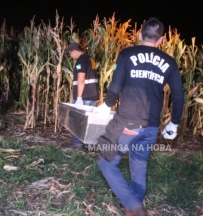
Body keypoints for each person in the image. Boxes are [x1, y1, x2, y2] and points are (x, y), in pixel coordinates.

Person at [96, 18, 184, 216]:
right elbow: (178, 96)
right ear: (161, 40)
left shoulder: (127, 54)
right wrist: (174, 123)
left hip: (126, 123)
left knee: (106, 162)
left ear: (139, 35)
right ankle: (134, 208)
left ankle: (134, 207)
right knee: (138, 167)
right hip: (151, 127)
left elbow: (115, 86)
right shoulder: (169, 62)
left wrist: (106, 105)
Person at [67, 42, 99, 149]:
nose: (70, 56)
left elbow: (81, 79)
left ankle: (78, 145)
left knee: (76, 120)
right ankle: (89, 145)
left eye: (70, 54)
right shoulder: (91, 59)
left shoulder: (81, 60)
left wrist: (79, 98)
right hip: (92, 95)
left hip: (84, 96)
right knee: (90, 122)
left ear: (74, 51)